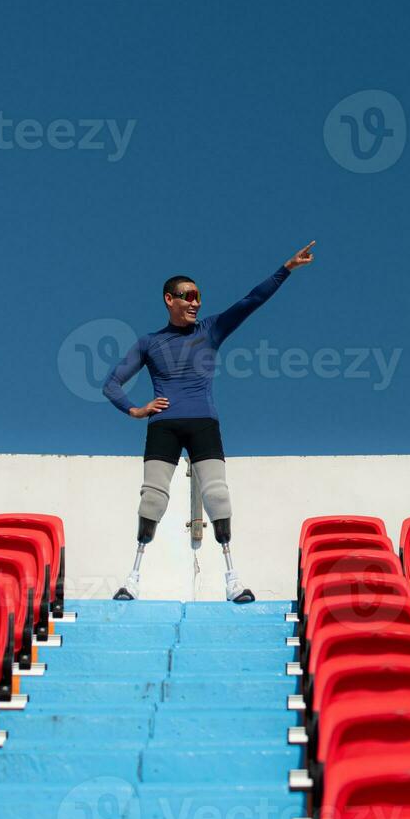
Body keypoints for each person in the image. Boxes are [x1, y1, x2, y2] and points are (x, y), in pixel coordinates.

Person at [103, 241, 317, 601]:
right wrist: (135, 410)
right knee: (152, 499)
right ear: (169, 299)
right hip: (164, 426)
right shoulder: (149, 342)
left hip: (203, 423)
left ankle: (233, 579)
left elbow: (251, 301)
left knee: (217, 496)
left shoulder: (211, 330)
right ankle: (133, 577)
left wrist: (287, 269)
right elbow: (111, 383)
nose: (195, 303)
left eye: (199, 297)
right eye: (187, 296)